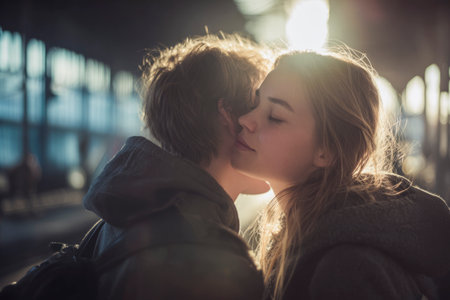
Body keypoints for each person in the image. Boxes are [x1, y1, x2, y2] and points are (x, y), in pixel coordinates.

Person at [231, 50, 450, 300]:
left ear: (327, 151)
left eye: (275, 117)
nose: (246, 120)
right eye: (254, 104)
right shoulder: (313, 236)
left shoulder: (346, 269)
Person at [82, 33, 275, 299]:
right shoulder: (210, 261)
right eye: (260, 109)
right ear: (228, 116)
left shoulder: (115, 221)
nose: (270, 129)